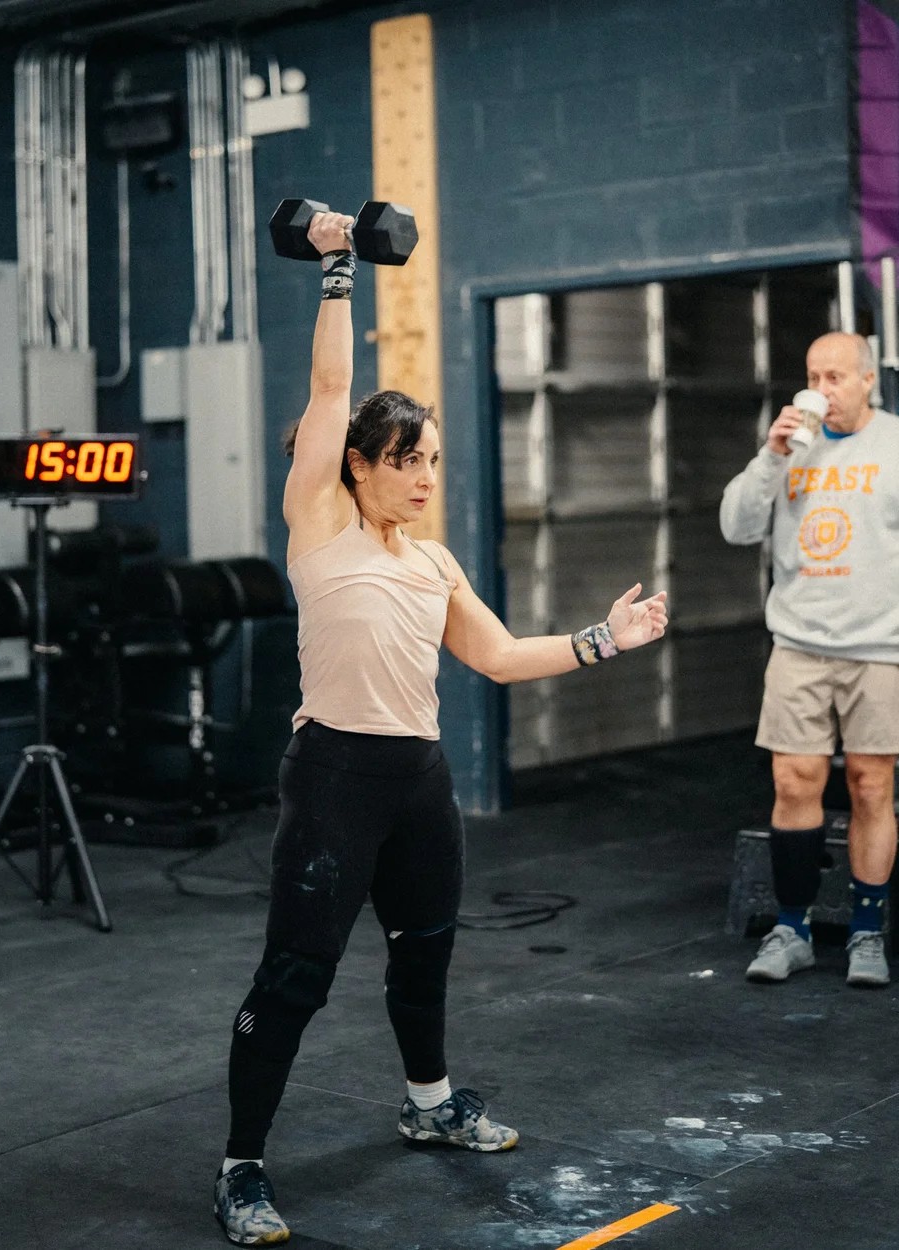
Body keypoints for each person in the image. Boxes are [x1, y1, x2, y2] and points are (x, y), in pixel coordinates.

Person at [213, 208, 669, 1247]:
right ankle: (242, 1163)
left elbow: (501, 656)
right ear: (359, 467)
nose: (424, 475)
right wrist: (337, 265)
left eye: (430, 459)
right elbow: (332, 390)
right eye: (407, 458)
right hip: (331, 777)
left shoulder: (432, 561)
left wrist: (606, 636)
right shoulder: (319, 523)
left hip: (418, 780)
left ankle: (428, 1101)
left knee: (423, 957)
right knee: (296, 976)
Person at [720, 331, 899, 989]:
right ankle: (791, 929)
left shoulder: (894, 446)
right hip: (799, 644)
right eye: (813, 376)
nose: (821, 390)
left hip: (882, 650)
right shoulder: (792, 448)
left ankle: (866, 933)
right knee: (795, 781)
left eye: (835, 377)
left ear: (866, 381)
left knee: (871, 786)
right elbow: (736, 526)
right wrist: (770, 456)